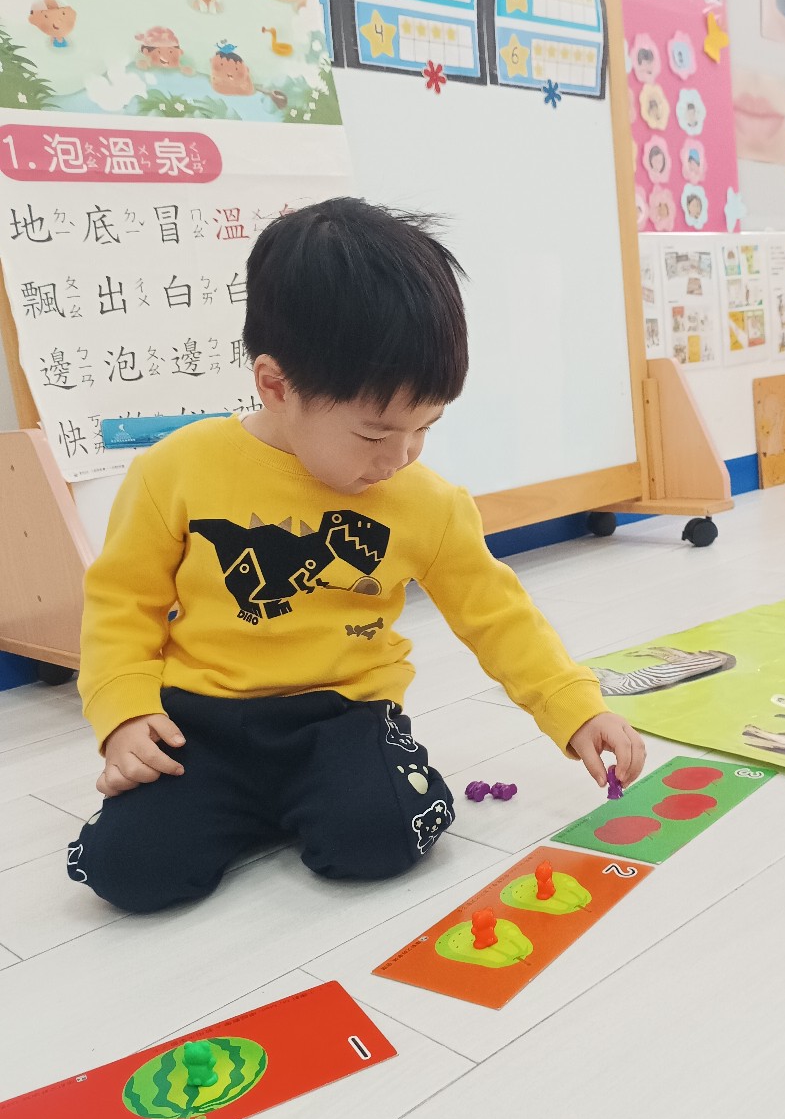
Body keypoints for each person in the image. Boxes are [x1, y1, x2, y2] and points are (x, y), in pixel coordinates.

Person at [69, 199, 646, 914]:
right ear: (275, 386)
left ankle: (326, 796)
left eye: (425, 427)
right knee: (129, 872)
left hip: (343, 718)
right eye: (375, 435)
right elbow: (122, 603)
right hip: (201, 721)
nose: (401, 458)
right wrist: (124, 712)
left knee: (377, 839)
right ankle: (262, 807)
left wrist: (575, 710)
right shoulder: (175, 471)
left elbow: (497, 615)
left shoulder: (426, 502)